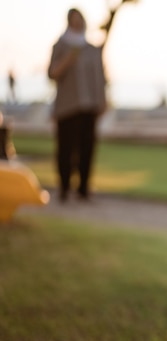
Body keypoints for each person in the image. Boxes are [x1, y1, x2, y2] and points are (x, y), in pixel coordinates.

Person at [48, 8, 106, 201]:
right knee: (65, 149)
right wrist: (67, 60)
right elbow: (52, 73)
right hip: (67, 106)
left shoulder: (91, 49)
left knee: (86, 148)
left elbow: (99, 77)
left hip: (89, 106)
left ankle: (83, 188)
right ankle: (64, 187)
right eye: (74, 20)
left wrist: (101, 101)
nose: (78, 23)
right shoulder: (61, 46)